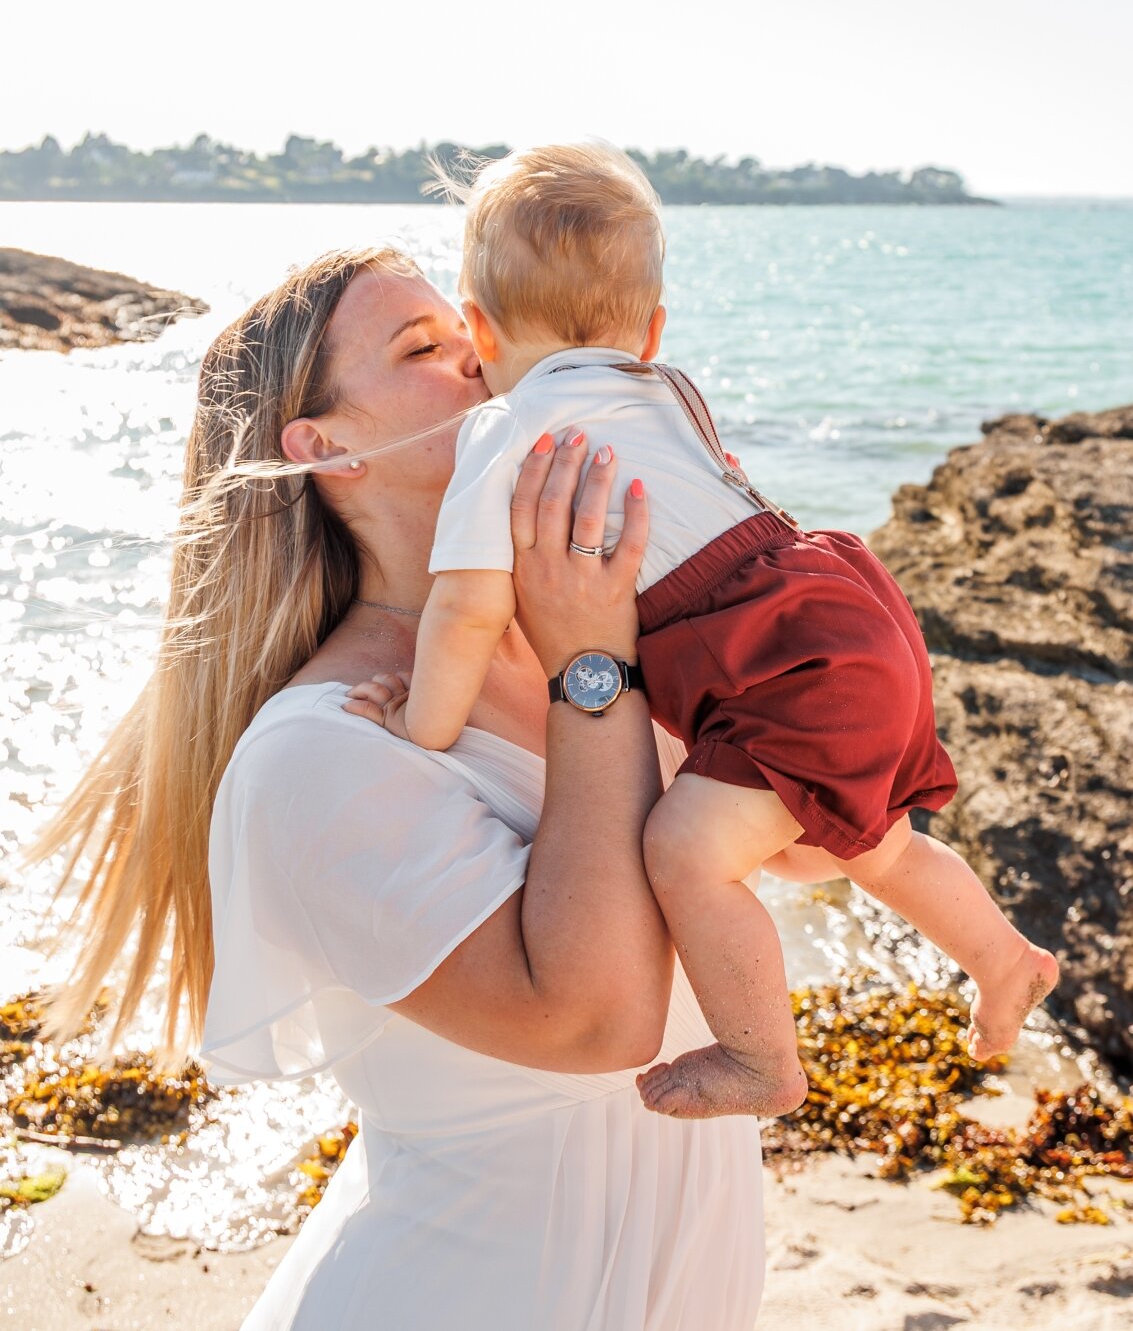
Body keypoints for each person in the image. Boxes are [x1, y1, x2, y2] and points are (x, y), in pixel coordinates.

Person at [28, 246, 765, 1331]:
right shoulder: (319, 753)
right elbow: (596, 1019)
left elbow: (820, 839)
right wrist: (591, 664)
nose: (481, 358)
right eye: (424, 347)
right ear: (324, 448)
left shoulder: (610, 641)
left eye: (472, 332)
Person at [350, 143, 1060, 1123]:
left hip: (770, 659)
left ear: (475, 328)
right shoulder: (671, 388)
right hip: (845, 608)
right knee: (872, 847)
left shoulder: (500, 429)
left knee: (685, 855)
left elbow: (465, 608)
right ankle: (1000, 955)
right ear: (650, 329)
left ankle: (759, 1056)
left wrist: (418, 727)